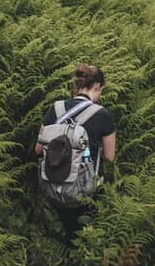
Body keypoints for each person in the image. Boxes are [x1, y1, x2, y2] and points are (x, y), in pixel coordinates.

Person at [34, 63, 116, 238]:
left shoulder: (55, 109)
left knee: (67, 230)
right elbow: (109, 157)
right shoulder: (103, 114)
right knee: (84, 234)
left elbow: (38, 149)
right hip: (85, 191)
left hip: (53, 186)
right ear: (97, 86)